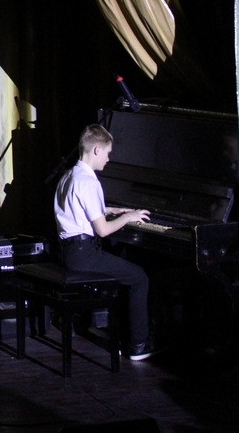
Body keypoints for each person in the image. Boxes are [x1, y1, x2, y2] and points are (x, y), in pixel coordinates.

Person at [53, 123, 156, 361]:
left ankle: (124, 334)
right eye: (108, 153)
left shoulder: (69, 175)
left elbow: (79, 209)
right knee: (139, 277)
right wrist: (128, 217)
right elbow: (103, 230)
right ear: (97, 149)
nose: (108, 159)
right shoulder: (88, 182)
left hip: (69, 251)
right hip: (83, 254)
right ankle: (138, 345)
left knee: (126, 271)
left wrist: (113, 210)